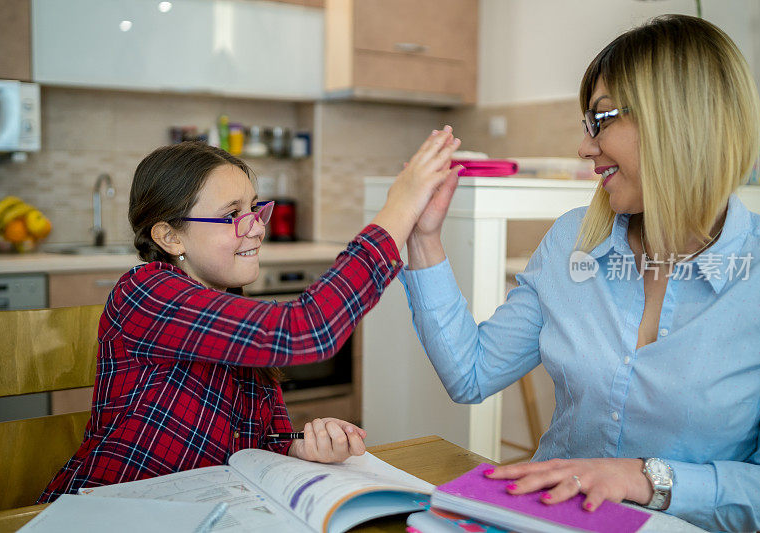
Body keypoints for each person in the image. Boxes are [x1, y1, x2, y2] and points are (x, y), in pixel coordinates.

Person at [400, 15, 760, 532]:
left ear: (678, 118)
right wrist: (424, 238)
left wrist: (642, 478)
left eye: (602, 119)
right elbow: (471, 374)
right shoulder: (570, 241)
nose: (585, 147)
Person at [39, 127, 462, 502]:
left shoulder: (231, 310)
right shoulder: (146, 292)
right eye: (231, 215)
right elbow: (306, 331)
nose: (256, 227)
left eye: (254, 209)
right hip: (112, 509)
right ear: (169, 236)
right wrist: (400, 208)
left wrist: (301, 444)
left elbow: (260, 439)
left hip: (203, 505)